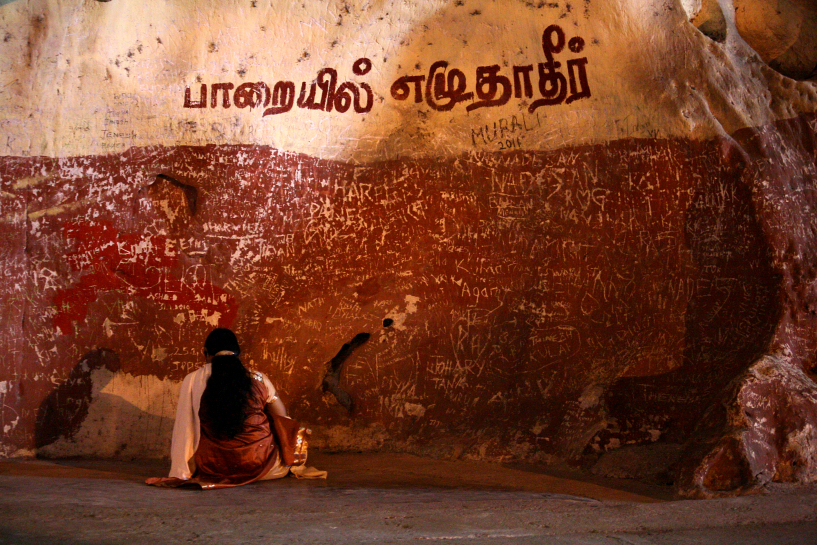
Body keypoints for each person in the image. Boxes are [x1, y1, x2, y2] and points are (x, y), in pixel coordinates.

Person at [146, 328, 325, 489]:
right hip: (265, 468)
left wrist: (180, 474)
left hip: (214, 469)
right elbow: (282, 417)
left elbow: (185, 429)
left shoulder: (193, 379)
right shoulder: (258, 378)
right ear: (238, 354)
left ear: (205, 353)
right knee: (283, 423)